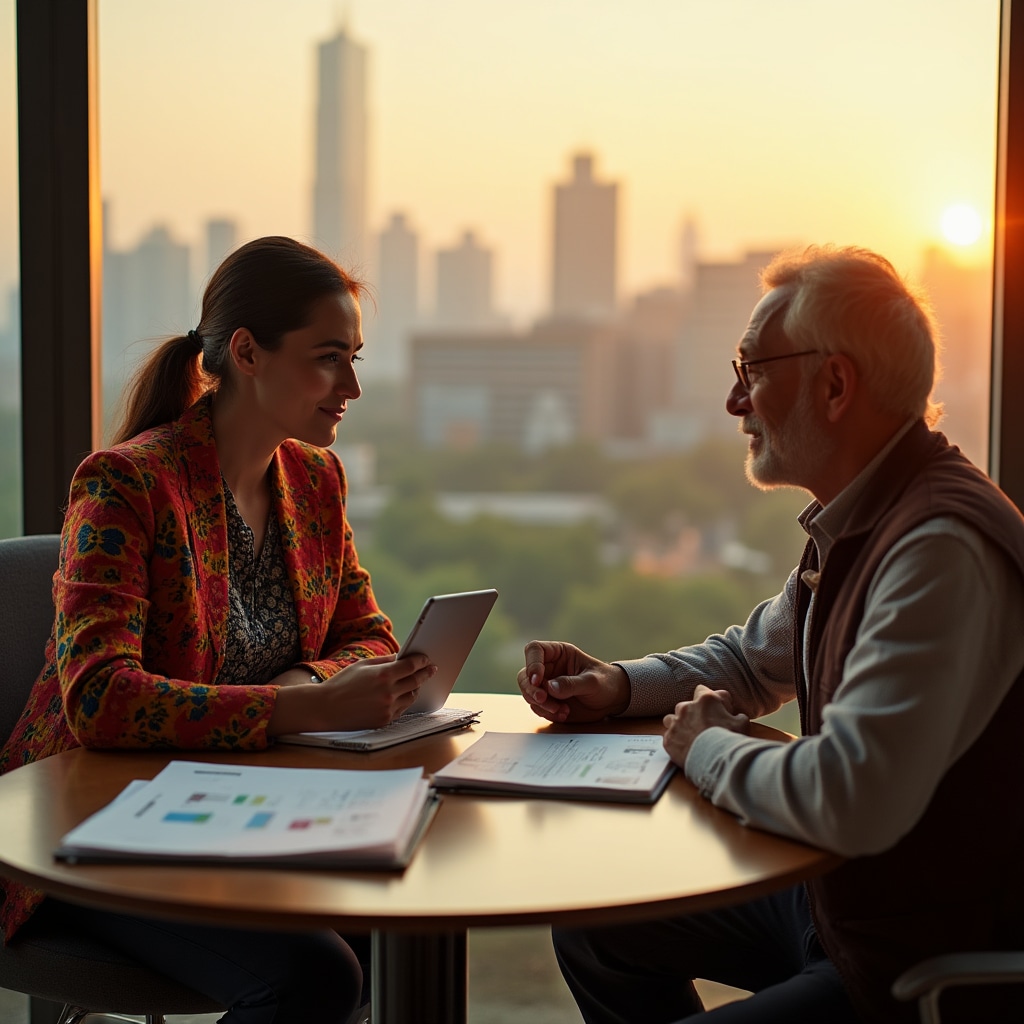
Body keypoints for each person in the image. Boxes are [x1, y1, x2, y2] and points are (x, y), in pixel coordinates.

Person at [518, 245, 1024, 1024]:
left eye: (751, 368)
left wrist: (709, 747)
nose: (733, 400)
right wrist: (616, 685)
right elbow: (749, 663)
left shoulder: (937, 551)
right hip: (846, 907)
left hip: (915, 963)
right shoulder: (864, 517)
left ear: (833, 384)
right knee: (596, 928)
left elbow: (848, 798)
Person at [0, 235, 438, 1024]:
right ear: (247, 352)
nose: (351, 388)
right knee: (317, 979)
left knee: (381, 920)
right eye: (328, 358)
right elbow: (99, 698)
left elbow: (369, 635)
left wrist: (306, 682)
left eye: (356, 360)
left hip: (236, 811)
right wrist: (301, 711)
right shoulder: (127, 483)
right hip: (88, 827)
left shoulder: (313, 480)